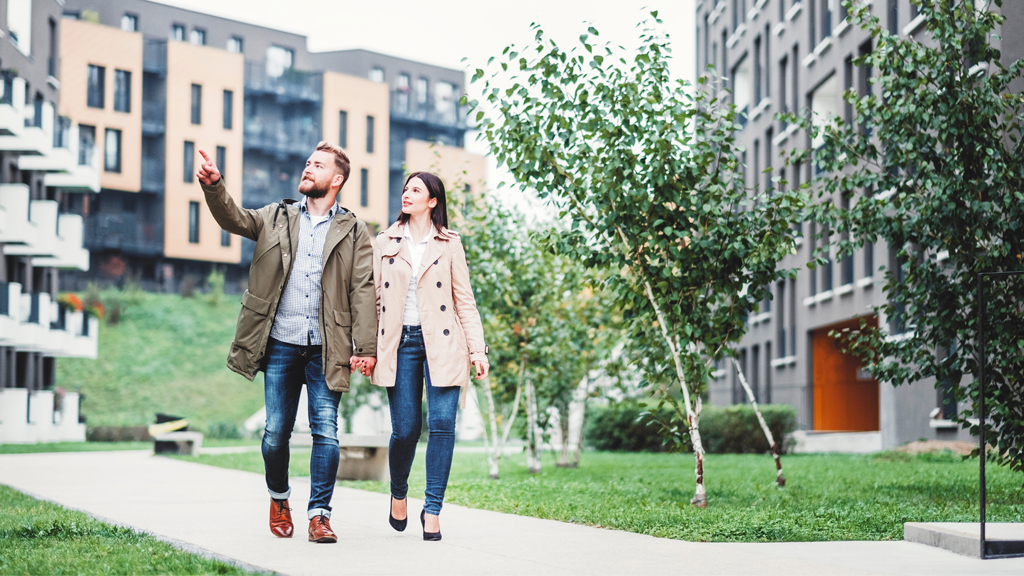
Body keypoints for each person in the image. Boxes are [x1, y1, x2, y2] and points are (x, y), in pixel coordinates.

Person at [196, 142, 377, 544]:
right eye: (307, 162)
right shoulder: (276, 216)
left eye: (318, 165)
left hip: (328, 346)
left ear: (337, 179)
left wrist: (364, 348)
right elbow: (235, 219)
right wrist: (214, 186)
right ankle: (279, 499)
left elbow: (364, 289)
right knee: (276, 432)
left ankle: (319, 515)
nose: (308, 168)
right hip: (279, 341)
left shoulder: (353, 230)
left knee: (325, 431)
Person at [371, 172, 488, 541]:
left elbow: (463, 301)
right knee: (405, 430)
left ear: (433, 201)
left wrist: (477, 349)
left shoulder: (449, 243)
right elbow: (373, 299)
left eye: (415, 190)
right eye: (405, 189)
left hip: (444, 342)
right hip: (399, 344)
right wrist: (365, 349)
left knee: (442, 425)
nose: (407, 194)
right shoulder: (385, 241)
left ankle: (433, 509)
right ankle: (399, 492)